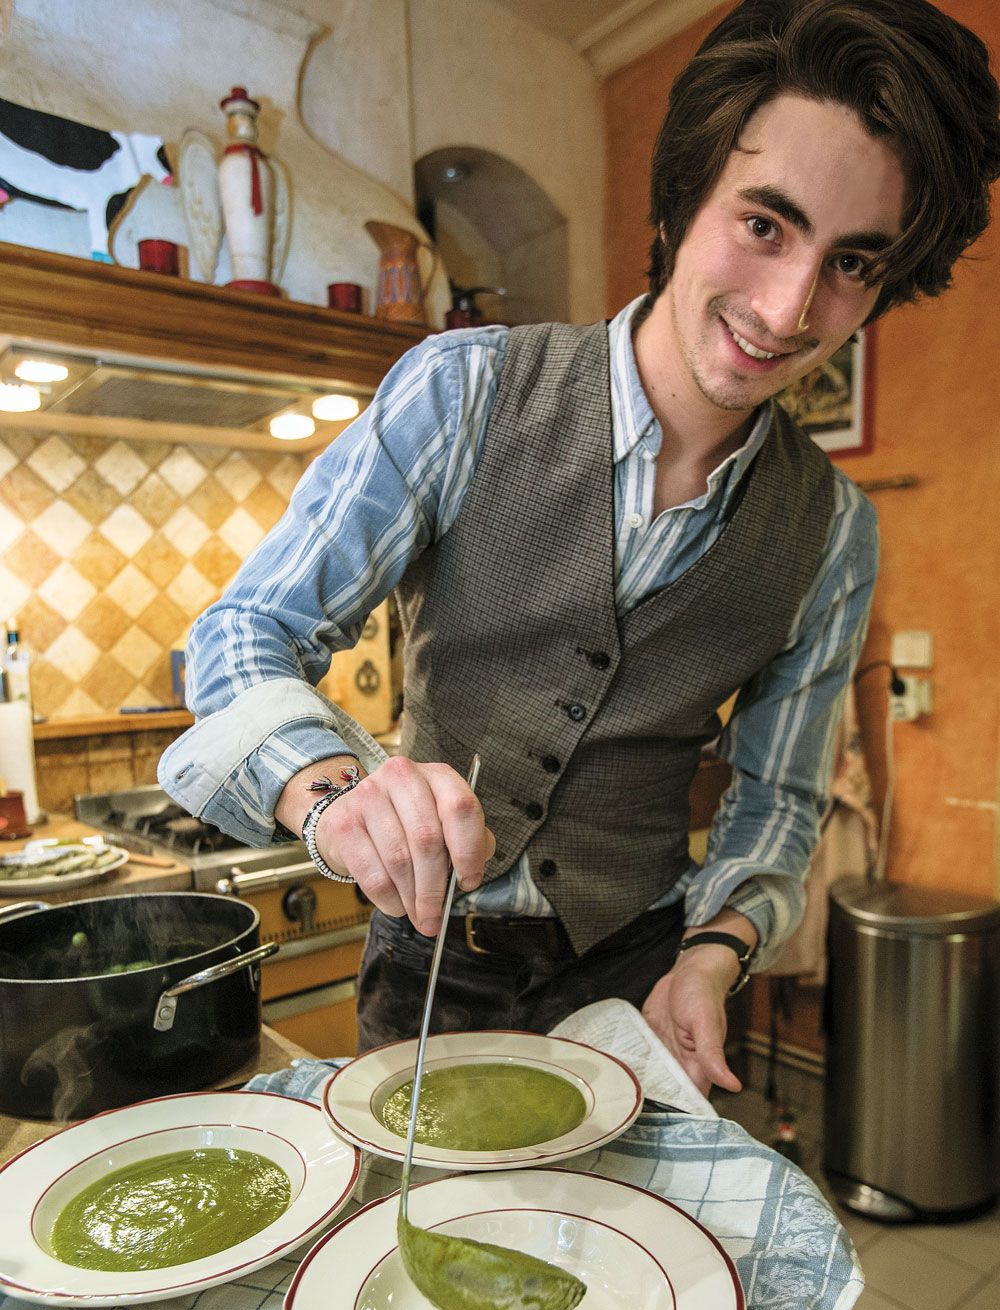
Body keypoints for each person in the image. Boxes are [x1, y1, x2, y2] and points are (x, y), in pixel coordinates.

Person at [160, 0, 1000, 1095]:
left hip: (644, 978)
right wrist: (326, 791)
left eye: (852, 262)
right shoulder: (462, 391)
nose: (791, 308)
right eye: (764, 224)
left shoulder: (835, 532)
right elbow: (242, 633)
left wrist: (714, 951)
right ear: (685, 194)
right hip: (430, 967)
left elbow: (779, 797)